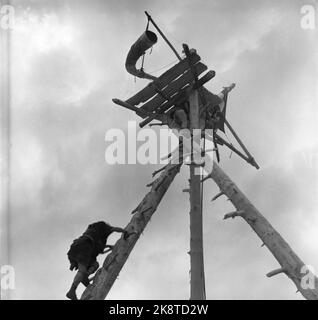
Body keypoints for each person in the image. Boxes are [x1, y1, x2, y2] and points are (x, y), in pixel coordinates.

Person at [66, 221, 128, 300]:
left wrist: (109, 247)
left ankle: (84, 276)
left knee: (95, 264)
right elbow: (115, 229)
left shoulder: (94, 233)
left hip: (76, 247)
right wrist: (124, 231)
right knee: (82, 270)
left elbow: (100, 250)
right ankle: (71, 291)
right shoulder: (104, 227)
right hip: (84, 246)